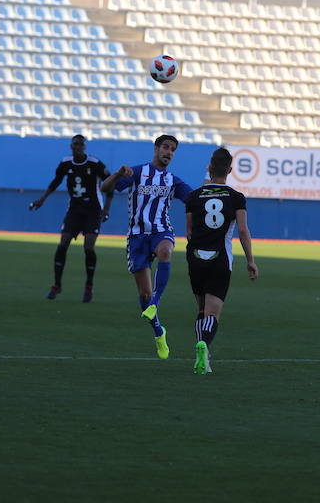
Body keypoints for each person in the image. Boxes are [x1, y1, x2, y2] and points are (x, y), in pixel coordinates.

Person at [100, 134, 194, 359]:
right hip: (137, 237)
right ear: (156, 148)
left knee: (165, 251)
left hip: (161, 231)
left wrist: (209, 190)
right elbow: (105, 188)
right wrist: (117, 174)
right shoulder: (137, 172)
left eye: (173, 149)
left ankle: (155, 302)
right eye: (165, 147)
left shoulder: (173, 181)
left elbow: (193, 198)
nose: (169, 152)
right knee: (143, 292)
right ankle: (159, 332)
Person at [185, 147, 258, 375]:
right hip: (220, 259)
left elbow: (188, 232)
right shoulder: (236, 197)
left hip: (195, 257)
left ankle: (204, 355)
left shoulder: (193, 196)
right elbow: (243, 231)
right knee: (213, 314)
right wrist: (250, 261)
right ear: (230, 170)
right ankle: (204, 345)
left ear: (209, 168)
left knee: (201, 308)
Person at [30, 134, 113, 303]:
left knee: (88, 247)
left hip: (93, 210)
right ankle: (56, 285)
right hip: (75, 210)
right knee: (63, 244)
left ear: (85, 147)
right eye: (75, 144)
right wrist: (42, 199)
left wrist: (106, 208)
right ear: (71, 146)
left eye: (81, 144)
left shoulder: (94, 163)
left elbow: (110, 183)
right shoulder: (65, 163)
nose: (78, 147)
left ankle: (89, 285)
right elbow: (55, 182)